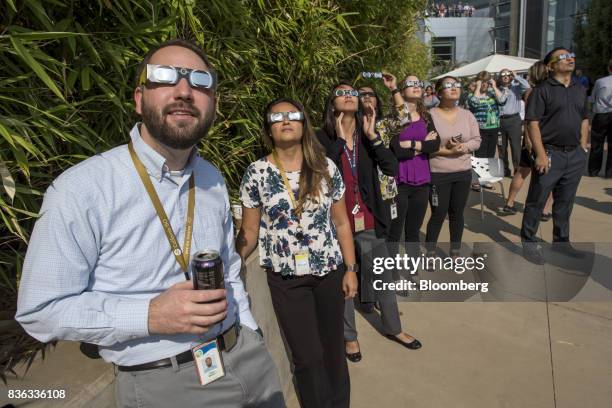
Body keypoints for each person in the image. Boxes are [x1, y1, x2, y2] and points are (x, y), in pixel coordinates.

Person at [15, 39, 284, 408]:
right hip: (163, 382)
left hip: (247, 358)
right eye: (165, 77)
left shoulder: (212, 179)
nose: (185, 91)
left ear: (214, 105)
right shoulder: (81, 189)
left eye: (200, 82)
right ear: (138, 98)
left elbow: (231, 268)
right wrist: (149, 316)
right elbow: (39, 311)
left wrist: (251, 331)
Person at [237, 97, 357, 408]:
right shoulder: (257, 173)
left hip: (329, 272)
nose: (286, 120)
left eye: (293, 115)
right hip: (287, 278)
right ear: (269, 128)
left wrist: (351, 268)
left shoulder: (325, 166)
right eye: (277, 117)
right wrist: (233, 257)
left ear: (304, 123)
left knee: (333, 350)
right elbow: (249, 232)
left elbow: (342, 223)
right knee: (307, 357)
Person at [317, 81, 422, 362]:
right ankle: (350, 338)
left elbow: (390, 167)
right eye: (341, 93)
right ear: (332, 103)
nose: (349, 96)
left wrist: (373, 137)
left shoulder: (367, 135)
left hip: (369, 218)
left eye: (353, 93)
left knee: (383, 277)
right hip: (334, 225)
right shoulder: (321, 137)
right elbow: (319, 173)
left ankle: (393, 327)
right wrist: (339, 142)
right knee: (344, 284)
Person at [521, 47, 589, 263]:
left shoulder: (580, 89)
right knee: (537, 200)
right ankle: (529, 242)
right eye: (563, 57)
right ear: (551, 66)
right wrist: (540, 154)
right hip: (550, 153)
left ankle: (561, 242)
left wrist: (582, 145)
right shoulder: (542, 90)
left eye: (571, 56)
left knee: (565, 202)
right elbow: (532, 123)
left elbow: (584, 118)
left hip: (574, 156)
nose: (570, 59)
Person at [387, 74, 441, 269]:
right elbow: (396, 149)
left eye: (418, 83)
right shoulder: (394, 118)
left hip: (422, 182)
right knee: (395, 231)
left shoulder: (426, 117)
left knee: (413, 231)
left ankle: (412, 270)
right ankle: (391, 274)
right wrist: (422, 145)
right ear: (401, 91)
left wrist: (411, 143)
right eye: (410, 83)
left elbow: (435, 144)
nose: (416, 86)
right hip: (399, 181)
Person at [426, 76, 481, 256]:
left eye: (457, 84)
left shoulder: (467, 114)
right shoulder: (429, 116)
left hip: (463, 173)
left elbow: (476, 140)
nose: (454, 88)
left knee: (457, 213)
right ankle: (431, 251)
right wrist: (446, 149)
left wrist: (464, 147)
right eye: (448, 85)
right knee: (438, 214)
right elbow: (425, 146)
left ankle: (455, 250)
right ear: (439, 92)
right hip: (438, 173)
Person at [499, 61, 553, 219]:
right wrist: (529, 141)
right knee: (549, 176)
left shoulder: (531, 92)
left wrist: (528, 140)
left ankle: (510, 203)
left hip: (534, 137)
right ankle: (544, 209)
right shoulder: (535, 92)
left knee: (522, 172)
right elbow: (530, 120)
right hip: (544, 139)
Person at [467, 70, 507, 190]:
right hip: (480, 129)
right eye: (482, 82)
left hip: (494, 129)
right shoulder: (472, 95)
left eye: (486, 81)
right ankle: (476, 181)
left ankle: (486, 180)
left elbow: (503, 101)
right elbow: (475, 103)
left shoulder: (492, 93)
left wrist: (494, 87)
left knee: (490, 155)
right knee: (479, 156)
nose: (485, 84)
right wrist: (477, 87)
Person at [498, 68, 530, 177]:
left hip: (514, 120)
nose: (506, 76)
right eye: (503, 75)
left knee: (516, 147)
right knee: (501, 147)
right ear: (500, 77)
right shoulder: (497, 89)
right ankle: (505, 170)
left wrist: (516, 76)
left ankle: (517, 171)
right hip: (500, 121)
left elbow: (527, 86)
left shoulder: (516, 87)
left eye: (508, 74)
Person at [588, 58, 612, 178]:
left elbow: (592, 99)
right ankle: (610, 173)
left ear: (608, 68)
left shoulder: (600, 82)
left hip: (601, 115)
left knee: (597, 144)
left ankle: (593, 171)